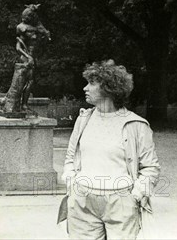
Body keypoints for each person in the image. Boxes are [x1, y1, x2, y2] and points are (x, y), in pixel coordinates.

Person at [62, 59, 160, 239]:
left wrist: (135, 196)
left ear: (109, 88)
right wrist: (71, 183)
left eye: (91, 83)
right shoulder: (83, 119)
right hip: (82, 202)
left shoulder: (136, 125)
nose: (85, 88)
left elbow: (151, 168)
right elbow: (70, 157)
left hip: (121, 203)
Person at [3, 4, 51, 113]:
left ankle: (24, 105)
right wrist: (28, 57)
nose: (27, 18)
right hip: (25, 57)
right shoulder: (21, 27)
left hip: (33, 57)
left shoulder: (38, 27)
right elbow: (18, 47)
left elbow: (42, 40)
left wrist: (45, 36)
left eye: (29, 15)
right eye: (26, 16)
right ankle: (17, 104)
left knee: (30, 82)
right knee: (22, 82)